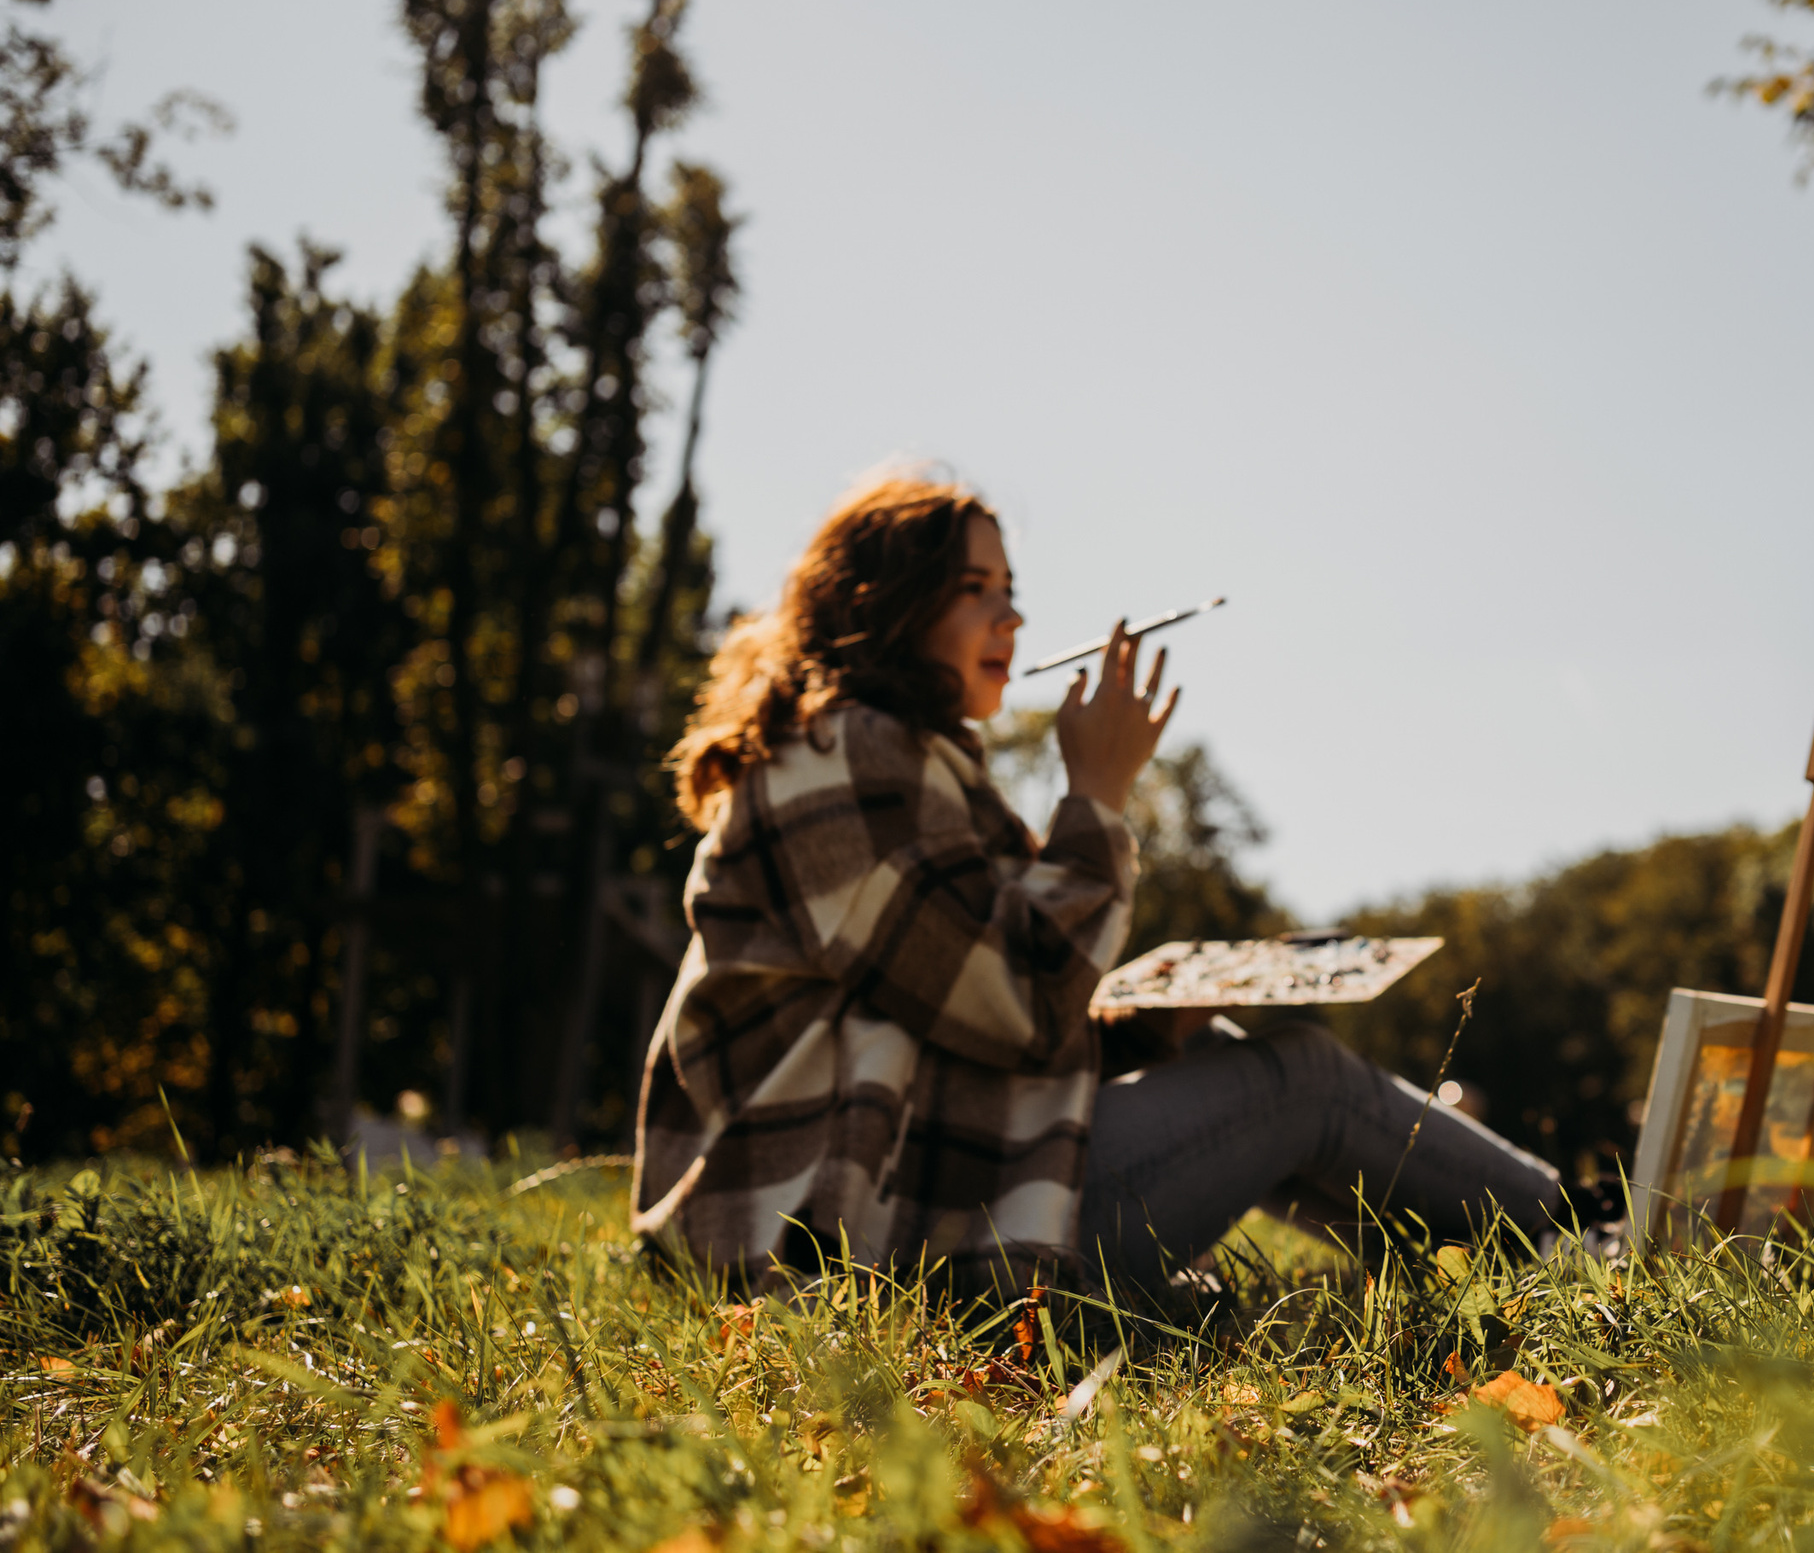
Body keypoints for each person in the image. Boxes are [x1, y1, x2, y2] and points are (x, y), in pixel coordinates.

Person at [632, 472, 1567, 1301]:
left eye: (1011, 590)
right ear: (885, 604)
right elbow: (1020, 1004)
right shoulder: (843, 758)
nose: (1011, 618)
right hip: (867, 1235)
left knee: (1226, 1051)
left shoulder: (895, 760)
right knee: (1302, 1079)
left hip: (909, 1199)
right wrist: (1096, 797)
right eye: (973, 588)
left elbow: (961, 1023)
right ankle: (1583, 1235)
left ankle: (1493, 1262)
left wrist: (1155, 1022)